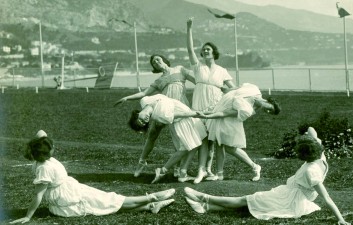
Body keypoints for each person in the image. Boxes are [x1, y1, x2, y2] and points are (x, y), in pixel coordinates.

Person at [183, 127, 351, 225]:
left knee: (247, 199)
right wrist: (310, 138)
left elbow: (327, 197)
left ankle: (204, 197)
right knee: (250, 206)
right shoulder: (321, 155)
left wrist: (341, 220)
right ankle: (206, 207)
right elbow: (312, 131)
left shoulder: (311, 171)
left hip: (291, 199)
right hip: (291, 193)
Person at [10, 130, 175, 224]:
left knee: (106, 202)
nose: (54, 147)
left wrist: (39, 142)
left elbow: (41, 133)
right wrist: (28, 216)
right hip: (66, 199)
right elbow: (38, 195)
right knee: (108, 201)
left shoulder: (43, 158)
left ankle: (150, 206)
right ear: (45, 152)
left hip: (70, 190)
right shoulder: (44, 168)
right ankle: (151, 198)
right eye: (51, 146)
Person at [114, 54, 195, 178]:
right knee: (152, 134)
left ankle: (177, 168)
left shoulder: (180, 69)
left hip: (179, 108)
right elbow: (144, 93)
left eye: (157, 59)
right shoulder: (159, 81)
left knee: (178, 139)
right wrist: (126, 98)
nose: (156, 62)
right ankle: (141, 162)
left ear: (164, 60)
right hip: (163, 109)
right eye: (153, 62)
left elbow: (198, 81)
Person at [186, 17, 236, 184]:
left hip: (215, 106)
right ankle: (201, 171)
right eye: (204, 50)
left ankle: (210, 170)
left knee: (213, 140)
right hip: (199, 104)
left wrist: (226, 91)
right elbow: (189, 49)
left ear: (214, 52)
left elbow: (232, 88)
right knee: (202, 139)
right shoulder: (197, 66)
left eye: (208, 49)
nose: (205, 51)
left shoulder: (222, 70)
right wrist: (189, 28)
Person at [197, 83, 280, 182]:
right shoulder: (254, 88)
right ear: (271, 102)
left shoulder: (249, 109)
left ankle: (255, 166)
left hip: (229, 120)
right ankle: (220, 174)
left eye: (270, 113)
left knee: (230, 148)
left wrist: (207, 116)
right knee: (219, 144)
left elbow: (226, 114)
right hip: (222, 106)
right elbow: (238, 88)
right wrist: (226, 90)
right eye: (270, 109)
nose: (267, 111)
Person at [128, 94, 207, 184]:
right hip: (183, 120)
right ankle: (163, 171)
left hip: (185, 114)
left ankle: (182, 173)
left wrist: (127, 98)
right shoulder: (160, 115)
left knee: (198, 139)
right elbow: (181, 114)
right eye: (144, 123)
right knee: (185, 148)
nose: (145, 121)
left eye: (141, 120)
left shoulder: (144, 101)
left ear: (136, 114)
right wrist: (196, 114)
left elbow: (145, 94)